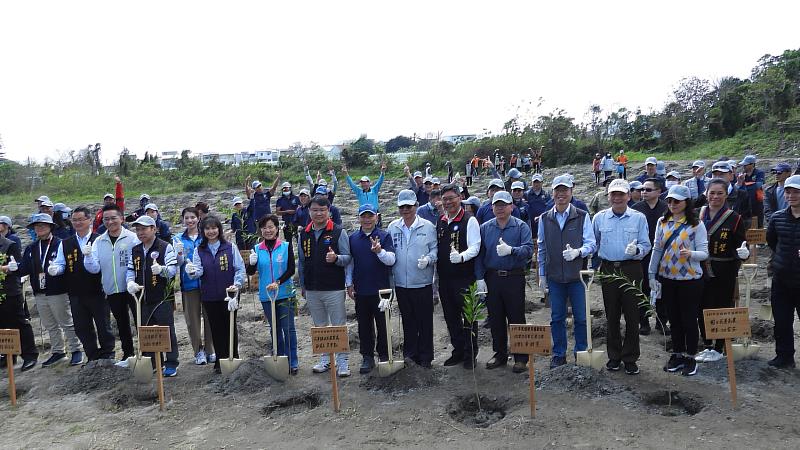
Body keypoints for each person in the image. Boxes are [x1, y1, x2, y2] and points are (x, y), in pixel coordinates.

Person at [592, 179, 651, 375]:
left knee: (633, 315)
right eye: (613, 194)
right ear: (608, 196)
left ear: (628, 196)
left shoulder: (638, 218)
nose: (617, 198)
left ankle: (631, 357)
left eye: (621, 194)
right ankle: (614, 356)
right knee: (612, 315)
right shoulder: (599, 218)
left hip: (631, 268)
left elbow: (646, 244)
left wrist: (637, 251)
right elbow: (594, 244)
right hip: (608, 269)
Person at [537, 175, 597, 368]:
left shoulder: (581, 215)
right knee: (557, 317)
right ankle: (559, 354)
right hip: (555, 277)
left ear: (571, 192)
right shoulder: (545, 218)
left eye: (565, 190)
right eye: (557, 190)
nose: (561, 194)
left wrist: (578, 252)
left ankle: (580, 352)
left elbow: (591, 244)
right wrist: (542, 274)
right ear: (552, 192)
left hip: (577, 276)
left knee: (580, 317)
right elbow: (542, 247)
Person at [649, 185, 708, 376]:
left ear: (686, 203)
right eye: (670, 201)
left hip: (690, 279)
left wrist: (691, 253)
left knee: (689, 319)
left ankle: (691, 356)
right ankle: (677, 353)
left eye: (677, 201)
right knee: (673, 318)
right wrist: (651, 274)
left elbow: (704, 253)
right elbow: (657, 249)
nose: (672, 204)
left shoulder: (696, 224)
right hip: (668, 278)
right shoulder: (662, 221)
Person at [475, 191, 534, 373]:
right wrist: (479, 278)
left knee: (516, 317)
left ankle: (521, 357)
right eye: (496, 205)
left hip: (514, 277)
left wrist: (512, 250)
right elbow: (479, 255)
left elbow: (529, 250)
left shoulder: (520, 226)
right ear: (491, 207)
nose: (500, 208)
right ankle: (499, 354)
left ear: (511, 206)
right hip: (492, 278)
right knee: (496, 317)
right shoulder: (485, 228)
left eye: (503, 204)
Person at [15, 213, 83, 367]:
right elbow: (24, 269)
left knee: (66, 322)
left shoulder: (61, 244)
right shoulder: (31, 248)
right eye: (36, 226)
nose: (39, 229)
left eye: (43, 226)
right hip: (39, 292)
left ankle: (76, 350)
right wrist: (15, 268)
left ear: (50, 227)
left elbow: (69, 267)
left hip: (58, 290)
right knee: (50, 324)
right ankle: (58, 351)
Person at [49, 206, 115, 362]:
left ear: (89, 220)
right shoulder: (65, 243)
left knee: (103, 324)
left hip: (97, 290)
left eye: (81, 219)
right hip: (75, 292)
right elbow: (60, 264)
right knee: (81, 326)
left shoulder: (99, 239)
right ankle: (92, 354)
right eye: (74, 220)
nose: (77, 223)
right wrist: (54, 269)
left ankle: (108, 353)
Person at [297, 195, 352, 376]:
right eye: (315, 210)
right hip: (312, 288)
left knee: (338, 325)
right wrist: (303, 285)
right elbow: (302, 263)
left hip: (334, 287)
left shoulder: (338, 232)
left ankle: (342, 362)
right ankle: (325, 359)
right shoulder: (304, 234)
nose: (318, 213)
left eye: (322, 209)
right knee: (320, 325)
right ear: (309, 211)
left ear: (329, 211)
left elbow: (348, 258)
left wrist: (336, 258)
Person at [695, 178, 749, 363]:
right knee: (701, 306)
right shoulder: (698, 214)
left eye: (720, 193)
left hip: (724, 268)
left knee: (721, 305)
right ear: (706, 194)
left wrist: (744, 253)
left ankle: (720, 346)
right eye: (712, 192)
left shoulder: (734, 218)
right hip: (699, 268)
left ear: (726, 195)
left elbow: (741, 244)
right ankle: (707, 344)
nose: (715, 196)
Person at [187, 215, 246, 374]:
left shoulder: (230, 247)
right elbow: (198, 272)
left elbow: (240, 269)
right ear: (203, 231)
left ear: (219, 229)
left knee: (230, 326)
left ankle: (233, 358)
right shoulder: (199, 250)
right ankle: (220, 360)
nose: (211, 231)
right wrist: (191, 271)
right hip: (210, 296)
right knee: (216, 328)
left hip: (229, 295)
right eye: (207, 228)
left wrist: (237, 285)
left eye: (214, 228)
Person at [83, 204, 139, 366]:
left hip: (132, 287)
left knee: (139, 320)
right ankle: (128, 354)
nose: (110, 222)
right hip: (112, 288)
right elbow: (94, 269)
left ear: (121, 218)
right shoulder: (99, 241)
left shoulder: (132, 238)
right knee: (121, 323)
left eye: (113, 218)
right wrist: (87, 257)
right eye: (106, 219)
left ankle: (146, 352)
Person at [387, 190, 438, 368]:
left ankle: (425, 357)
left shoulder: (428, 227)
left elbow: (435, 250)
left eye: (409, 206)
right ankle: (410, 354)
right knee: (408, 320)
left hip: (422, 282)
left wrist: (429, 259)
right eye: (402, 207)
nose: (406, 210)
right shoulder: (393, 227)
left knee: (424, 321)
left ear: (416, 206)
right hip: (401, 283)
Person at [126, 216, 180, 377]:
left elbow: (172, 270)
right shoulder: (135, 250)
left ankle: (171, 362)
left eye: (144, 229)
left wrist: (161, 270)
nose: (140, 232)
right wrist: (130, 282)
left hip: (162, 297)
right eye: (138, 229)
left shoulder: (165, 247)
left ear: (154, 229)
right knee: (146, 331)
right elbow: (130, 271)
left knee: (166, 330)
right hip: (142, 298)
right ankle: (154, 363)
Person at [345, 205, 395, 374]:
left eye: (370, 216)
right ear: (359, 218)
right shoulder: (353, 239)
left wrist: (379, 251)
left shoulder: (384, 236)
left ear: (376, 217)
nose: (367, 220)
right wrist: (349, 284)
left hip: (382, 291)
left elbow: (391, 260)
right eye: (363, 216)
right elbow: (350, 263)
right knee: (364, 326)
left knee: (383, 324)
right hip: (361, 289)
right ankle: (367, 356)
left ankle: (384, 354)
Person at [435, 184, 481, 369]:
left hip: (465, 277)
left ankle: (471, 354)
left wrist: (462, 256)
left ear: (460, 197)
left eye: (451, 198)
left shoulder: (469, 220)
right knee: (451, 317)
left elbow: (475, 246)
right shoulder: (441, 221)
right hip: (445, 278)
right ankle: (458, 351)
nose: (448, 202)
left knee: (469, 317)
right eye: (445, 199)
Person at [248, 214, 299, 375]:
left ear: (277, 228)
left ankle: (293, 361)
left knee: (288, 328)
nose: (268, 230)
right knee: (274, 328)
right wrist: (250, 262)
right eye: (264, 228)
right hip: (266, 295)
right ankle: (280, 358)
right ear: (260, 230)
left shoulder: (285, 246)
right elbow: (250, 272)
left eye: (271, 227)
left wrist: (278, 282)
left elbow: (291, 269)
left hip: (285, 294)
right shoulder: (257, 249)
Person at [765, 174, 800, 368]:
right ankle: (784, 356)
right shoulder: (778, 218)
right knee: (782, 320)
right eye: (788, 192)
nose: (792, 196)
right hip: (782, 279)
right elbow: (772, 242)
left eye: (796, 192)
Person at [175, 207, 215, 366]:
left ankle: (210, 350)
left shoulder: (205, 235)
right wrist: (179, 254)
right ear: (183, 220)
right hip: (189, 284)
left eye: (193, 217)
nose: (190, 220)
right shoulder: (178, 239)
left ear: (198, 218)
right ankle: (198, 351)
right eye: (187, 218)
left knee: (210, 317)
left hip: (208, 282)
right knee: (192, 319)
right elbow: (177, 263)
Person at [632, 178, 670, 335]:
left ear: (659, 191)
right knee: (643, 288)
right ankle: (644, 321)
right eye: (642, 189)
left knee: (663, 288)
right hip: (643, 255)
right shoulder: (636, 208)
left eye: (648, 190)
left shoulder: (667, 208)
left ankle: (662, 321)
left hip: (664, 254)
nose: (643, 192)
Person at [0, 230, 38, 371]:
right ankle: (7, 355)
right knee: (1, 324)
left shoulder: (10, 244)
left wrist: (1, 269)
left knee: (19, 322)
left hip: (10, 290)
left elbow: (15, 267)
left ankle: (29, 355)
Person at [710, 161, 752, 228]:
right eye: (715, 175)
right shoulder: (707, 196)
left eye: (721, 174)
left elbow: (747, 220)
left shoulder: (741, 195)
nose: (718, 178)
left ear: (731, 176)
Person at [737, 154, 766, 228]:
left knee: (759, 222)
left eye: (746, 165)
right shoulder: (742, 174)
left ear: (752, 164)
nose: (744, 167)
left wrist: (745, 184)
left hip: (757, 201)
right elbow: (739, 186)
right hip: (745, 201)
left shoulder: (759, 173)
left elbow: (759, 185)